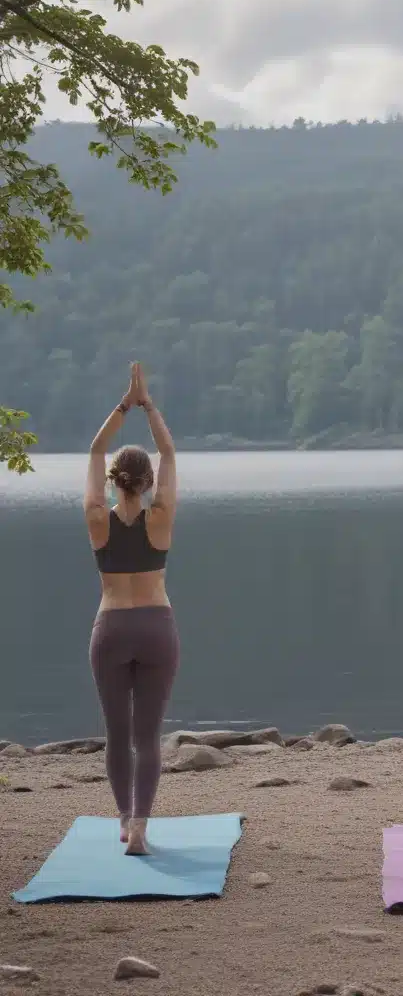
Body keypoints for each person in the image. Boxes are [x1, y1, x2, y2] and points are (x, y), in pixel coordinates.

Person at [84, 363, 178, 855]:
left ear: (115, 480)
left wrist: (124, 404)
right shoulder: (160, 518)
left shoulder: (97, 518)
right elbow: (167, 450)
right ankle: (141, 824)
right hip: (156, 626)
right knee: (149, 736)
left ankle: (123, 818)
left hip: (112, 625)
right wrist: (149, 405)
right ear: (146, 483)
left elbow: (97, 449)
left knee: (117, 734)